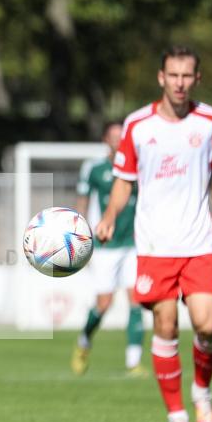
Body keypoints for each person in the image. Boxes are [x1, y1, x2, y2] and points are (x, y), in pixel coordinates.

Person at [95, 46, 212, 422]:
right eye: (173, 75)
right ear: (161, 77)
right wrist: (108, 216)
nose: (180, 83)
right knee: (166, 326)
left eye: (187, 76)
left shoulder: (210, 121)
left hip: (200, 242)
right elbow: (124, 180)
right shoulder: (138, 125)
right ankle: (176, 414)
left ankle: (202, 393)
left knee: (206, 324)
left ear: (197, 80)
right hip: (155, 246)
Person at [71, 121, 146, 377]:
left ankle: (133, 362)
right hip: (105, 246)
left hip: (133, 244)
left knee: (137, 299)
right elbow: (82, 201)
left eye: (121, 136)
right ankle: (84, 341)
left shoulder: (139, 165)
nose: (117, 140)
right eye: (113, 136)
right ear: (105, 139)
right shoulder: (94, 168)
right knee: (104, 304)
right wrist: (81, 235)